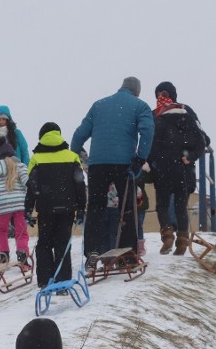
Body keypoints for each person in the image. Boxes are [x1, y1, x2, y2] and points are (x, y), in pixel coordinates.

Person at [70, 77, 154, 268]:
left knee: (96, 208)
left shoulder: (99, 105)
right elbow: (147, 130)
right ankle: (128, 256)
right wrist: (140, 158)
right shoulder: (140, 106)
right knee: (127, 208)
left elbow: (78, 135)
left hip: (98, 164)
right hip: (124, 164)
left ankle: (92, 252)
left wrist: (80, 155)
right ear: (137, 91)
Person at [147, 81, 208, 256]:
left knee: (162, 204)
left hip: (163, 168)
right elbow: (202, 138)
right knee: (181, 205)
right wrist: (191, 155)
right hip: (183, 167)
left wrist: (148, 162)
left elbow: (151, 142)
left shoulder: (155, 115)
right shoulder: (186, 111)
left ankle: (167, 236)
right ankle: (182, 240)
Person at [25, 123, 87, 289]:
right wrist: (81, 208)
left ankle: (45, 280)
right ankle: (63, 281)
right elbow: (80, 184)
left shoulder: (36, 159)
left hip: (46, 208)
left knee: (44, 244)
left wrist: (28, 210)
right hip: (68, 208)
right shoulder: (72, 156)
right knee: (63, 243)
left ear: (41, 136)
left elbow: (32, 187)